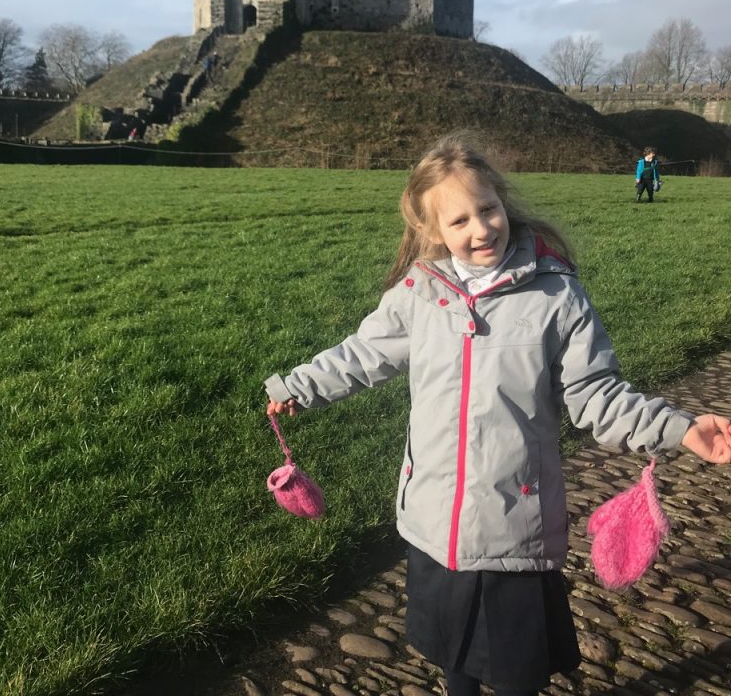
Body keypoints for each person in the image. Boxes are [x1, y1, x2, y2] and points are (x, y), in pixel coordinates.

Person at [265, 130, 731, 696]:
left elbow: (596, 395)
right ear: (432, 231)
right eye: (459, 221)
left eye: (487, 210)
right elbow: (363, 353)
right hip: (435, 526)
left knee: (516, 674)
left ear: (502, 203)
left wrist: (680, 428)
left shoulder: (556, 296)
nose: (480, 229)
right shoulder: (420, 294)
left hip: (515, 528)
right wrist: (300, 385)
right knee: (454, 660)